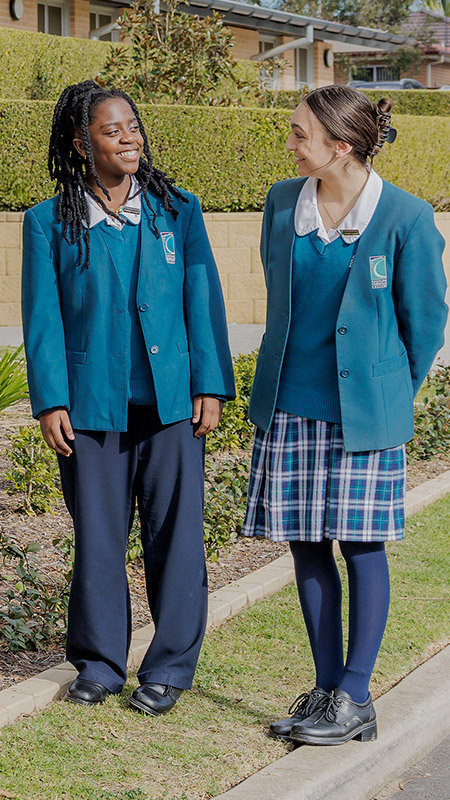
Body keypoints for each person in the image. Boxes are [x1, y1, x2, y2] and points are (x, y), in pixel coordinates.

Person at [241, 84, 448, 746]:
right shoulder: (281, 204)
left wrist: (387, 394)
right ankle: (329, 691)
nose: (290, 144)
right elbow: (282, 299)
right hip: (290, 405)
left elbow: (426, 325)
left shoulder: (406, 219)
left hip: (366, 419)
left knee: (361, 547)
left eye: (300, 134)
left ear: (342, 145)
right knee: (306, 546)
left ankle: (356, 694)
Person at [21, 80, 235, 715]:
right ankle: (99, 663)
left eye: (134, 127)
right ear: (82, 142)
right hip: (89, 410)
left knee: (176, 536)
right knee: (99, 538)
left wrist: (210, 385)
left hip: (172, 406)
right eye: (113, 131)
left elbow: (204, 301)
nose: (129, 139)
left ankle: (168, 666)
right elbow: (44, 320)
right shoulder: (47, 223)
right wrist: (50, 400)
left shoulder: (178, 210)